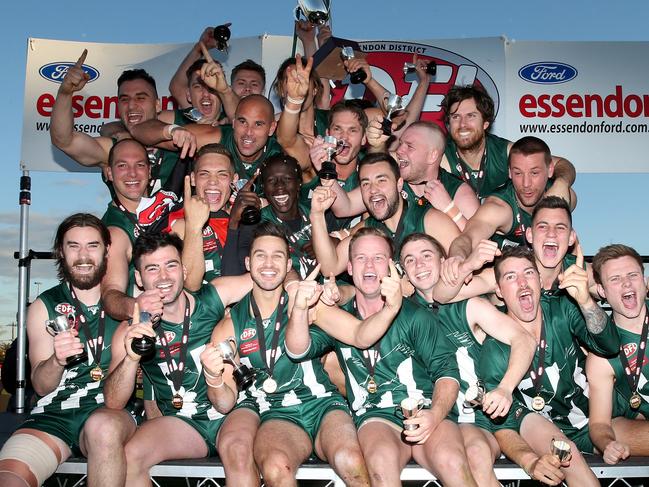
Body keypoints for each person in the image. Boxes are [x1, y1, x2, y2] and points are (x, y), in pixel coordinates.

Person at [211, 223, 400, 486]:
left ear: (289, 264)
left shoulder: (311, 303)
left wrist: (391, 308)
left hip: (323, 405)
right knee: (277, 468)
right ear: (247, 262)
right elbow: (223, 403)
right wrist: (213, 377)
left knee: (351, 461)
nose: (269, 263)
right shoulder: (230, 325)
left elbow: (360, 335)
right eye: (260, 255)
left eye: (277, 255)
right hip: (276, 413)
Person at [286, 227, 477, 486]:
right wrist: (299, 309)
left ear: (390, 267)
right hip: (375, 415)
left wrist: (435, 414)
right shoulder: (339, 317)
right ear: (350, 268)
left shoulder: (414, 315)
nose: (369, 265)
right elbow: (297, 350)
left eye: (378, 258)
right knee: (379, 463)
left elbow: (447, 372)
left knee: (453, 462)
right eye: (361, 258)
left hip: (425, 409)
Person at [103, 232, 251, 486]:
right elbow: (114, 401)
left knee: (238, 452)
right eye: (152, 269)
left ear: (183, 270)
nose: (163, 277)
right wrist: (131, 358)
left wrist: (297, 285)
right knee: (129, 457)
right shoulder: (130, 330)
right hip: (183, 423)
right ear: (138, 278)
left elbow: (268, 275)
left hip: (233, 410)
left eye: (171, 265)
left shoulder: (214, 296)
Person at [0, 214, 135, 487]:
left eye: (93, 246)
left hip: (108, 414)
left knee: (104, 429)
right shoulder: (44, 305)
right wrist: (56, 360)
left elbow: (120, 396)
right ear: (61, 252)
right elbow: (40, 385)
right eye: (73, 246)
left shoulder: (127, 304)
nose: (83, 256)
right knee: (9, 478)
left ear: (107, 250)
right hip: (54, 415)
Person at [400, 233, 536, 486]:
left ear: (444, 261)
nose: (419, 265)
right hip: (434, 417)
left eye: (426, 256)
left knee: (475, 455)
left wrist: (506, 389)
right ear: (404, 273)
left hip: (475, 416)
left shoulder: (468, 305)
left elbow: (525, 340)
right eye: (410, 260)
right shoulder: (401, 313)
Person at [478, 246, 620, 486]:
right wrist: (529, 460)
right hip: (541, 430)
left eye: (529, 273)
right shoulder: (494, 349)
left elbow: (609, 345)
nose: (522, 283)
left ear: (540, 280)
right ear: (499, 291)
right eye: (511, 277)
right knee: (567, 453)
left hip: (589, 421)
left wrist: (585, 300)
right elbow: (503, 425)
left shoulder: (561, 309)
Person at [50, 53, 191, 196]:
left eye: (140, 98)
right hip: (125, 218)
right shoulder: (114, 147)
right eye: (124, 100)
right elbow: (64, 141)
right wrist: (65, 93)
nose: (131, 106)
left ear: (157, 105)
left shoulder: (179, 137)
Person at [443, 136, 577, 286]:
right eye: (518, 173)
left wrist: (562, 181)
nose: (526, 184)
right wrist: (457, 258)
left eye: (534, 173)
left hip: (549, 278)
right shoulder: (499, 208)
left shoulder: (562, 194)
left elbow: (567, 167)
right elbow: (467, 238)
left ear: (550, 170)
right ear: (509, 173)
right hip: (506, 285)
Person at [310, 152, 459, 277]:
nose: (373, 190)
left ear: (399, 184)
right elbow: (331, 268)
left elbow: (463, 268)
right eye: (365, 183)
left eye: (381, 181)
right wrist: (317, 215)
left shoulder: (431, 220)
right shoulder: (368, 229)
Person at [325, 120, 480, 231]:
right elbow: (345, 208)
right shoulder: (391, 178)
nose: (399, 151)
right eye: (400, 144)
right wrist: (324, 166)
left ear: (432, 156)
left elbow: (476, 245)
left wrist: (449, 208)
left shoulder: (459, 193)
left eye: (409, 146)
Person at [439, 84, 576, 201]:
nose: (463, 124)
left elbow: (563, 164)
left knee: (569, 195)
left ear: (485, 123)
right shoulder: (440, 158)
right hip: (462, 228)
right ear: (449, 123)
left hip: (508, 228)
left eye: (471, 116)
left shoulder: (506, 151)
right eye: (456, 117)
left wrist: (561, 183)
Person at [587, 244, 649, 464]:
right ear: (602, 291)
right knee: (615, 430)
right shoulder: (600, 355)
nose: (626, 283)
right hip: (633, 425)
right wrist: (607, 444)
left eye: (633, 275)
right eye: (614, 279)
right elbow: (600, 424)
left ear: (645, 282)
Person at [131, 93, 282, 181]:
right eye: (243, 122)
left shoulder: (283, 151)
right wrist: (171, 130)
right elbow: (138, 131)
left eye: (258, 124)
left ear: (271, 128)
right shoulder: (212, 138)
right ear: (234, 123)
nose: (248, 132)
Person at [100, 139, 155, 321]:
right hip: (139, 329)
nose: (132, 173)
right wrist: (139, 307)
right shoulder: (114, 231)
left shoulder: (164, 209)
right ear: (109, 172)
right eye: (122, 165)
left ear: (149, 170)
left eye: (139, 165)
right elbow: (111, 295)